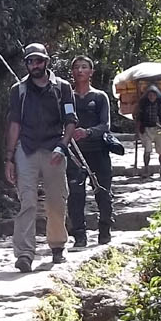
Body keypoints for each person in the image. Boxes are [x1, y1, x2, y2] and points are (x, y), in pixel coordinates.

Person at [5, 43, 75, 272]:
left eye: (38, 61)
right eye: (30, 61)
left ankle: (57, 245)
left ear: (46, 61)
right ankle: (24, 254)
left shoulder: (62, 87)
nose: (35, 65)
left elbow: (70, 120)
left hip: (54, 149)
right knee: (27, 201)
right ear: (26, 64)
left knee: (56, 200)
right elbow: (14, 124)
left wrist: (63, 146)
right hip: (26, 149)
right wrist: (9, 157)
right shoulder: (19, 90)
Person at [66, 55, 115, 247]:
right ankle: (79, 235)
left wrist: (87, 132)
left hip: (98, 151)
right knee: (75, 195)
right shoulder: (67, 97)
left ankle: (105, 230)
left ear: (91, 72)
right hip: (75, 154)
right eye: (76, 67)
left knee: (103, 192)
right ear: (72, 72)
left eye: (84, 67)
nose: (80, 70)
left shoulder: (100, 97)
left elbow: (105, 125)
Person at [136, 84, 161, 179]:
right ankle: (146, 170)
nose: (151, 97)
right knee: (147, 150)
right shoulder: (143, 106)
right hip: (147, 129)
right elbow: (138, 118)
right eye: (150, 95)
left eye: (153, 95)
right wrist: (138, 130)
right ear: (147, 96)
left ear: (157, 96)